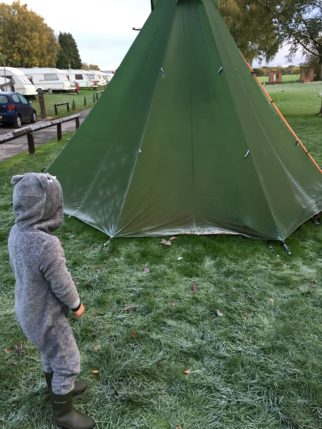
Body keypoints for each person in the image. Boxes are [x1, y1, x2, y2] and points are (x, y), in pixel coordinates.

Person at [8, 173, 95, 429]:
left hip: (27, 310)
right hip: (47, 315)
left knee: (50, 352)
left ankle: (57, 387)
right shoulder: (47, 245)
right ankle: (64, 413)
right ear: (49, 208)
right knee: (68, 360)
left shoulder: (16, 232)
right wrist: (76, 305)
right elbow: (61, 282)